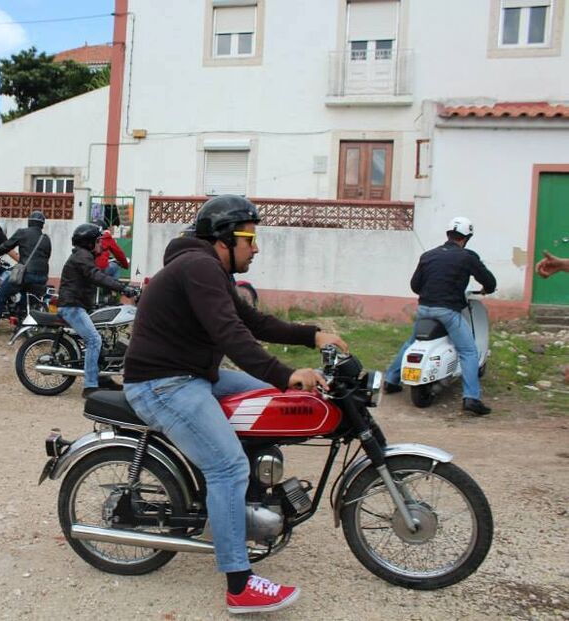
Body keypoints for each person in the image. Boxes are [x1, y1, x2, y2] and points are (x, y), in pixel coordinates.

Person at [122, 195, 347, 615]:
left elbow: (252, 322)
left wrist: (313, 335)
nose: (256, 248)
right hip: (161, 383)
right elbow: (230, 335)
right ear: (225, 239)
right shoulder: (199, 266)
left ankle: (238, 506)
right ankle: (240, 585)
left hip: (190, 374)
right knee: (227, 466)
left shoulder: (209, 269)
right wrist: (285, 372)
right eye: (250, 238)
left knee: (271, 402)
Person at [384, 216, 497, 415]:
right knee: (469, 351)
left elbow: (415, 286)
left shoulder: (428, 255)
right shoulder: (467, 257)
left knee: (411, 343)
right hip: (448, 312)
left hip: (424, 310)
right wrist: (486, 288)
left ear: (448, 234)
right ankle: (471, 398)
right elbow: (489, 281)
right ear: (466, 237)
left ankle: (391, 380)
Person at [58, 224, 139, 398]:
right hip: (71, 306)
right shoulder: (82, 257)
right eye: (97, 241)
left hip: (78, 304)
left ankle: (103, 379)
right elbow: (97, 276)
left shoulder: (83, 256)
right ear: (89, 243)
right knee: (94, 340)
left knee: (103, 334)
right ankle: (90, 386)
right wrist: (123, 288)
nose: (100, 244)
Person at [0, 211, 52, 335]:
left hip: (26, 274)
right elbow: (47, 256)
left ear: (29, 222)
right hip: (42, 277)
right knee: (23, 294)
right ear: (42, 225)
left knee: (1, 294)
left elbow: (5, 246)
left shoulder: (22, 233)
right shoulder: (46, 239)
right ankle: (20, 324)